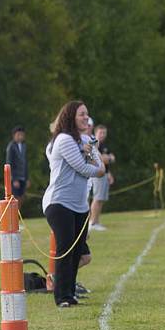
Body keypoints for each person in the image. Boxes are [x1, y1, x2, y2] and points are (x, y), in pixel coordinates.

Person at [43, 101, 105, 307]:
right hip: (59, 203)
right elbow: (83, 168)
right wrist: (90, 158)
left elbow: (101, 166)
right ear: (71, 117)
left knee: (77, 251)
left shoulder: (87, 139)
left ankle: (70, 293)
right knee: (66, 248)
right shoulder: (63, 139)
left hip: (80, 206)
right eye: (81, 114)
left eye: (87, 114)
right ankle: (61, 297)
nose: (86, 118)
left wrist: (91, 156)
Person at [87, 124, 116, 231]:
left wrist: (109, 173)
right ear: (95, 133)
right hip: (97, 174)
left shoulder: (104, 145)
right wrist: (108, 158)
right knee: (97, 198)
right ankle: (92, 222)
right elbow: (99, 159)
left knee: (101, 199)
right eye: (100, 132)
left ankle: (97, 221)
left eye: (104, 133)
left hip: (104, 174)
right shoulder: (93, 142)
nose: (102, 135)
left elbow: (111, 158)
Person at [5, 126, 28, 211]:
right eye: (18, 135)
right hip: (15, 177)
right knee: (15, 197)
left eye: (22, 135)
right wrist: (14, 179)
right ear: (14, 135)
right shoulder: (11, 146)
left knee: (22, 196)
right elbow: (9, 163)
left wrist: (27, 178)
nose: (20, 137)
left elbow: (25, 162)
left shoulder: (24, 146)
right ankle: (14, 216)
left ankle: (18, 216)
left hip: (23, 176)